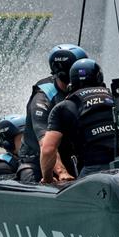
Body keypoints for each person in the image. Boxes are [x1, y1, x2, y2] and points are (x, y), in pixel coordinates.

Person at [40, 59, 119, 183]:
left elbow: (48, 149)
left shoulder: (65, 107)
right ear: (99, 78)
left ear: (71, 82)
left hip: (94, 170)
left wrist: (47, 178)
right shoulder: (118, 101)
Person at [17, 43, 88, 184]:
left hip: (69, 157)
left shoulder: (80, 88)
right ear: (64, 74)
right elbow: (46, 145)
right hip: (37, 163)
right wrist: (62, 173)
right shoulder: (43, 96)